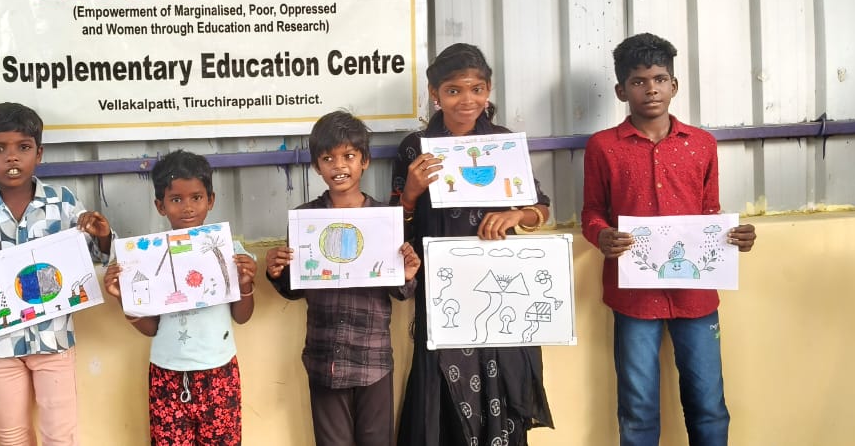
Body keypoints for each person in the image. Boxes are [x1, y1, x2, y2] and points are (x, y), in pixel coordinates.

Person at [581, 32, 757, 446]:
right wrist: (601, 235)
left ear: (674, 85)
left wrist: (735, 237)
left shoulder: (702, 144)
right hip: (633, 295)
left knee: (708, 403)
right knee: (637, 408)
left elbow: (710, 212)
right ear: (621, 90)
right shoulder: (603, 147)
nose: (651, 89)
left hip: (695, 292)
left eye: (660, 79)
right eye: (638, 82)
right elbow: (592, 211)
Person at [391, 43, 554, 446]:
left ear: (488, 90)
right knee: (443, 390)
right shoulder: (415, 147)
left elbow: (541, 209)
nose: (467, 100)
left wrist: (518, 215)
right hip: (443, 289)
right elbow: (395, 231)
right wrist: (410, 194)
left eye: (476, 89)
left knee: (500, 383)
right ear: (435, 93)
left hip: (500, 287)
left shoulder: (502, 142)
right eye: (454, 91)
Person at [0, 102, 113, 446]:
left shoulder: (61, 201)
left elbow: (94, 255)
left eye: (23, 147)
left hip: (53, 339)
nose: (12, 157)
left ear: (39, 153)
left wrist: (103, 236)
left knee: (59, 435)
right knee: (11, 436)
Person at [263, 111, 422, 446]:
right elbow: (296, 290)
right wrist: (278, 272)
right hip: (325, 360)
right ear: (316, 166)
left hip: (372, 359)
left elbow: (400, 292)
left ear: (364, 161)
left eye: (348, 156)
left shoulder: (384, 220)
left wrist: (406, 275)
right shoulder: (306, 220)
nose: (339, 166)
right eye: (328, 158)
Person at [102, 149, 258, 445]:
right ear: (160, 206)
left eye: (196, 197)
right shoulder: (149, 259)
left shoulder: (229, 251)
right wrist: (123, 299)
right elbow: (151, 329)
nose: (187, 207)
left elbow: (242, 316)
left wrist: (245, 283)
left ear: (210, 200)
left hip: (219, 372)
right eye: (176, 199)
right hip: (166, 374)